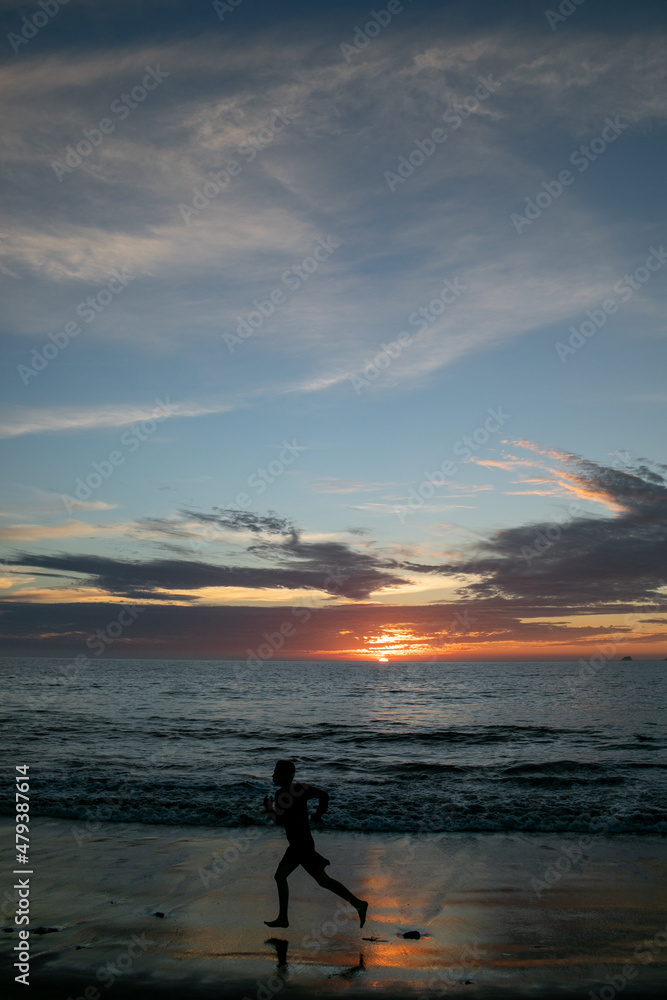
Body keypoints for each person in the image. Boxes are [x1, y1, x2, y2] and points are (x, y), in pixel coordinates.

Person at [263, 759, 368, 928]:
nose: (273, 776)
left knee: (282, 877)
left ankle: (283, 918)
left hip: (299, 846)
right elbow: (324, 795)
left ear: (285, 776)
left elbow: (279, 820)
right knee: (322, 880)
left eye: (276, 772)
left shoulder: (281, 795)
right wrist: (318, 814)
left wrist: (269, 809)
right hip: (303, 843)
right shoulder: (301, 788)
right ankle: (358, 904)